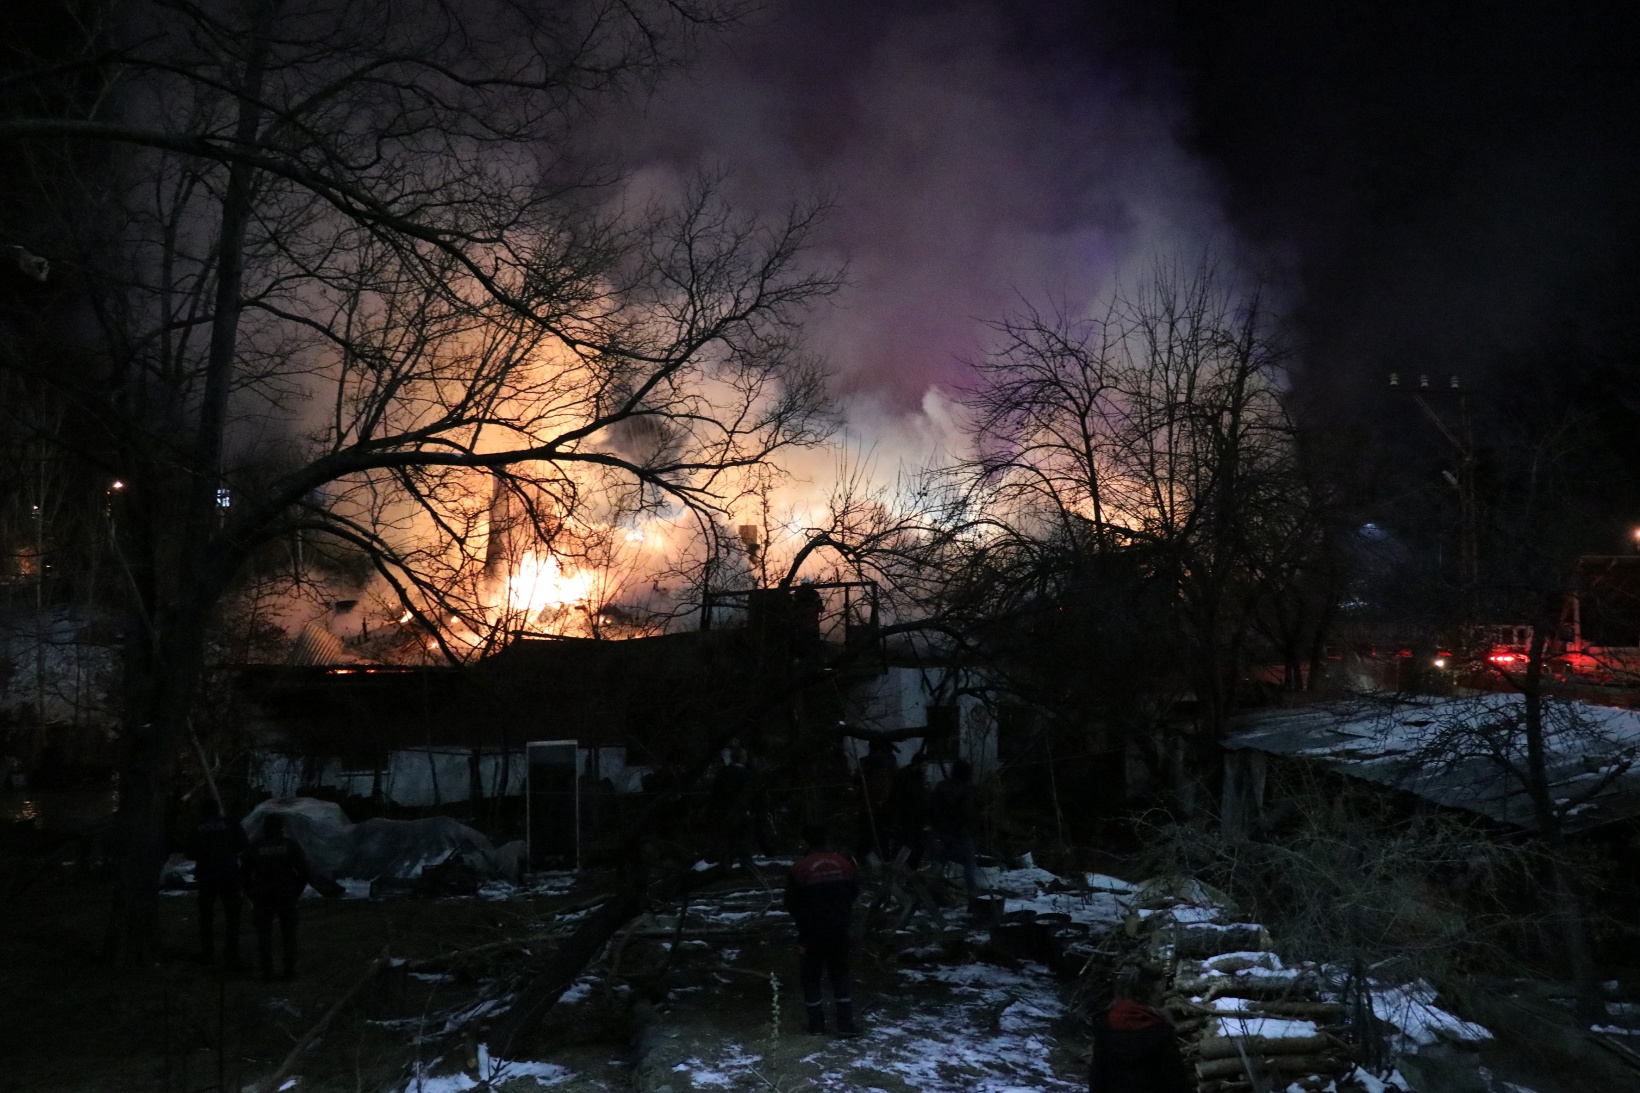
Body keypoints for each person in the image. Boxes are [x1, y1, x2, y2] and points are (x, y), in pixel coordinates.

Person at [784, 822, 860, 1037]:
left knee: (810, 976)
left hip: (810, 932)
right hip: (839, 929)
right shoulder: (844, 863)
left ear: (805, 842)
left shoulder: (800, 867)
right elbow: (854, 892)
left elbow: (790, 901)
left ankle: (816, 1024)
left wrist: (804, 917)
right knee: (840, 973)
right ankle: (845, 1023)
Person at [241, 812, 323, 981]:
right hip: (285, 895)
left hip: (263, 896)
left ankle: (267, 971)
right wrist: (295, 892)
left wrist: (252, 892)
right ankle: (289, 970)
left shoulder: (256, 847)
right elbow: (304, 873)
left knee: (264, 935)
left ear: (265, 827)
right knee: (288, 934)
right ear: (281, 827)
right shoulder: (290, 846)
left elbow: (244, 874)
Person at [1088, 965, 1192, 1093]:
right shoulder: (1160, 1031)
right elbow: (1176, 1081)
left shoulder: (1105, 1025)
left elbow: (1097, 1076)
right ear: (1149, 994)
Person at [186, 797, 248, 967]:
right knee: (232, 915)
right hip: (229, 874)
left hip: (207, 875)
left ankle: (208, 952)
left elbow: (189, 852)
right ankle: (231, 953)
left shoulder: (197, 827)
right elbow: (243, 844)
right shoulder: (231, 823)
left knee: (206, 916)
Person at [929, 758, 980, 900]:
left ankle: (934, 894)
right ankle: (973, 897)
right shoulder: (967, 790)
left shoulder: (941, 787)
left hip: (941, 832)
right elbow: (968, 813)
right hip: (960, 834)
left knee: (938, 864)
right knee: (969, 863)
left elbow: (931, 808)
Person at [710, 747, 758, 871]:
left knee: (727, 840)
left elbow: (715, 794)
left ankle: (726, 865)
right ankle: (746, 865)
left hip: (725, 812)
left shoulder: (722, 773)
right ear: (742, 758)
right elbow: (753, 795)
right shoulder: (747, 775)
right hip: (742, 812)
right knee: (744, 840)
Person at [886, 750, 929, 868]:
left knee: (917, 847)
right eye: (924, 765)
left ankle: (910, 873)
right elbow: (897, 798)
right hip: (905, 819)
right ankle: (899, 871)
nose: (926, 769)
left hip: (915, 820)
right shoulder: (904, 777)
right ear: (917, 764)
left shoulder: (918, 778)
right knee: (906, 848)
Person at [855, 739, 897, 857]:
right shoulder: (887, 763)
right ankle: (880, 856)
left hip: (872, 803)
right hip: (877, 804)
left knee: (868, 833)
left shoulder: (868, 762)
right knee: (880, 833)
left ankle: (865, 856)